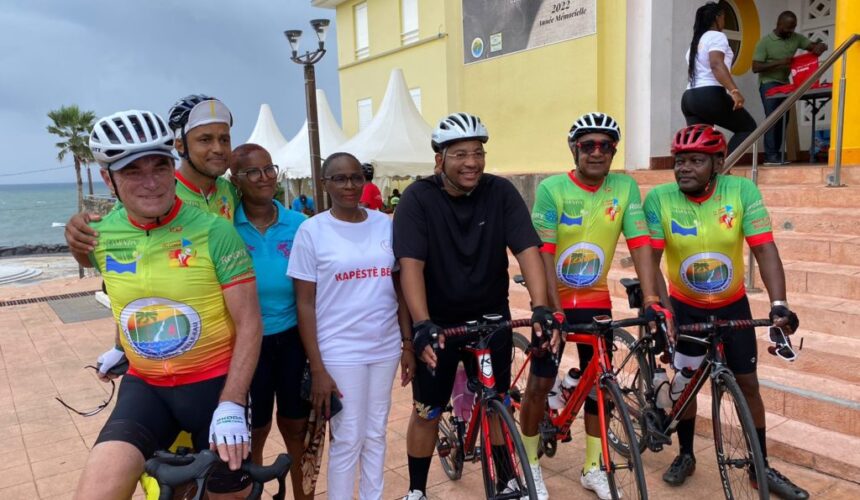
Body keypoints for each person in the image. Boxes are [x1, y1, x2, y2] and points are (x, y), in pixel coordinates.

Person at [74, 110, 261, 499]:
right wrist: (121, 346)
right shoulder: (99, 237)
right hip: (146, 388)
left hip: (215, 387)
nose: (151, 183)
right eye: (132, 172)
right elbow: (128, 298)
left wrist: (232, 401)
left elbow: (249, 324)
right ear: (109, 179)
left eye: (160, 167)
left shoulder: (215, 232)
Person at [394, 112, 559, 500]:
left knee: (496, 400)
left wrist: (540, 307)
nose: (472, 162)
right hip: (441, 324)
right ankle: (417, 490)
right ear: (440, 160)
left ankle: (505, 478)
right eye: (460, 154)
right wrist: (421, 325)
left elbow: (528, 250)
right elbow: (410, 267)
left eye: (478, 153)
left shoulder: (499, 192)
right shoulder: (418, 199)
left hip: (491, 319)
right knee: (427, 410)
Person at [644, 124, 805, 499]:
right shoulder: (660, 199)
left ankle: (758, 466)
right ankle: (685, 454)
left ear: (718, 162)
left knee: (748, 383)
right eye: (679, 160)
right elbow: (649, 261)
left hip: (733, 303)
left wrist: (778, 304)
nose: (684, 168)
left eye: (696, 160)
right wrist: (661, 307)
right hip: (684, 306)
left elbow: (764, 248)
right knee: (684, 385)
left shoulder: (741, 191)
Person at [523, 112, 665, 500]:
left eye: (606, 146)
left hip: (595, 299)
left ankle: (592, 466)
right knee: (538, 382)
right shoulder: (553, 189)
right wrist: (551, 310)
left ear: (614, 151)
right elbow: (544, 252)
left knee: (599, 386)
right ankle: (530, 463)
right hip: (554, 298)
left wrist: (651, 300)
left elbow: (640, 244)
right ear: (575, 149)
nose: (597, 152)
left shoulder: (624, 187)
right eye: (589, 145)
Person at [287, 152, 414, 499]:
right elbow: (305, 303)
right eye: (340, 178)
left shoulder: (384, 224)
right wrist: (317, 366)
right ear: (325, 183)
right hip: (339, 350)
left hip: (385, 346)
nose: (349, 185)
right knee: (347, 436)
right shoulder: (311, 231)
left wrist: (407, 344)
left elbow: (400, 288)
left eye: (356, 177)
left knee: (375, 432)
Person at [229, 143, 311, 498]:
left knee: (297, 428)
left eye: (269, 169)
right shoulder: (225, 227)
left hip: (294, 338)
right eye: (253, 172)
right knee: (254, 432)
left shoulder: (300, 225)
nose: (264, 178)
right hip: (248, 345)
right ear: (235, 180)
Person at [64, 94, 238, 260]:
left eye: (224, 140)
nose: (218, 148)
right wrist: (77, 233)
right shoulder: (156, 193)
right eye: (205, 140)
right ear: (179, 145)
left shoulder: (230, 190)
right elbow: (106, 240)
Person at [680, 1, 756, 155]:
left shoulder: (696, 42)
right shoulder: (717, 36)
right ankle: (722, 167)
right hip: (710, 94)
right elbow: (716, 64)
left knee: (701, 144)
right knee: (748, 128)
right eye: (723, 18)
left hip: (690, 98)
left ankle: (704, 175)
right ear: (717, 18)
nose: (724, 22)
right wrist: (734, 90)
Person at [753, 10, 828, 165]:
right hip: (768, 83)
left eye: (793, 28)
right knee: (773, 118)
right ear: (779, 24)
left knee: (784, 119)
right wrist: (780, 62)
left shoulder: (795, 38)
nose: (790, 32)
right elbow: (755, 67)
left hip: (785, 83)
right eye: (787, 28)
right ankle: (770, 156)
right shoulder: (765, 42)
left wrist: (820, 46)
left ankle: (777, 156)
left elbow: (811, 46)